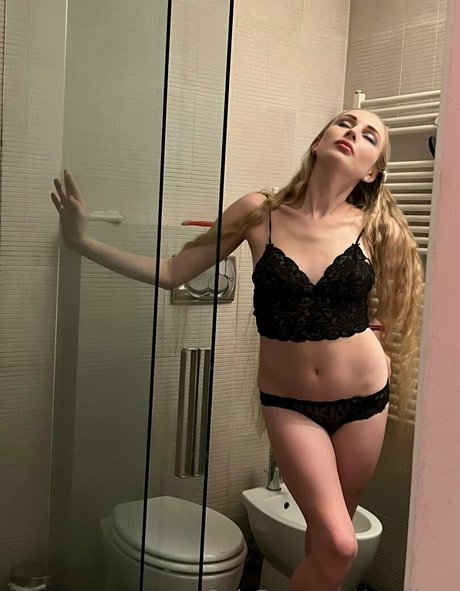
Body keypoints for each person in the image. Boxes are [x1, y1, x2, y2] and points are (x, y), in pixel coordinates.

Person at [51, 108, 424, 591]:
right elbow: (173, 271)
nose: (353, 132)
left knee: (324, 544)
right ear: (319, 141)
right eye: (345, 124)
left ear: (372, 172)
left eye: (370, 135)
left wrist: (377, 338)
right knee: (340, 545)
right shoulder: (258, 211)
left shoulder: (375, 226)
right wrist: (81, 242)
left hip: (365, 402)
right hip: (291, 406)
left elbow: (400, 301)